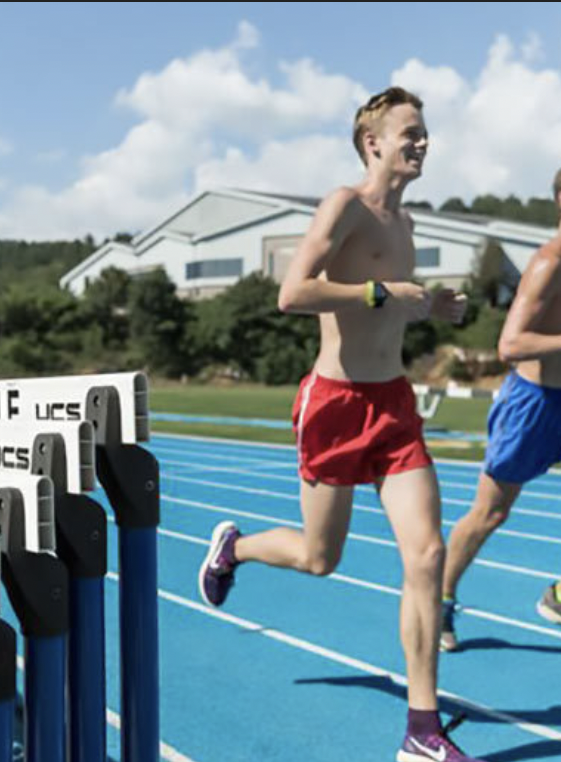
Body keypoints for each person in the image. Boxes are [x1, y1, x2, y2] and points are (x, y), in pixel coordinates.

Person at [197, 86, 479, 762]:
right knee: (320, 559)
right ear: (372, 142)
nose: (422, 141)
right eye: (409, 131)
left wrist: (433, 307)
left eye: (425, 131)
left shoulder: (407, 225)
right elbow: (292, 294)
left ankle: (420, 730)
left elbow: (392, 308)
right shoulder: (343, 205)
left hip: (394, 407)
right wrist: (382, 291)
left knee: (428, 556)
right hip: (335, 405)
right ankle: (233, 548)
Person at [439, 158, 561, 656]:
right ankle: (438, 598)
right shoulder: (550, 262)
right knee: (489, 514)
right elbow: (511, 344)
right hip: (529, 404)